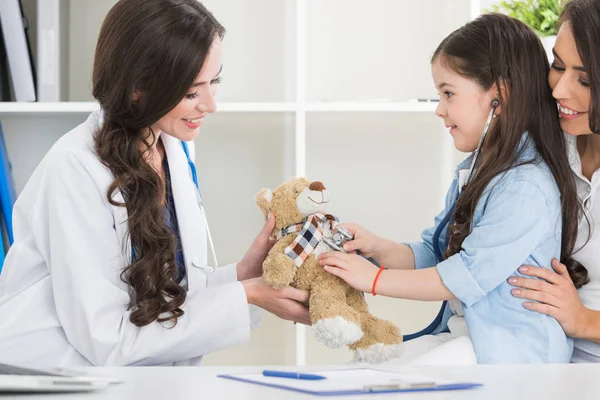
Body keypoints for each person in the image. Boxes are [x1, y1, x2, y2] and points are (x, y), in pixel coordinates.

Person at [0, 0, 309, 367]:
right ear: (138, 89)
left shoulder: (173, 148)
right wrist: (245, 295)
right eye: (192, 92)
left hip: (139, 381)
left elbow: (167, 297)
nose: (211, 105)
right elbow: (107, 340)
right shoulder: (74, 168)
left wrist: (245, 275)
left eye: (215, 82)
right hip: (55, 378)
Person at [318, 13, 588, 364]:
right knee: (366, 367)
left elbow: (464, 276)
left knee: (396, 377)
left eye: (448, 94)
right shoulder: (477, 170)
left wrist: (374, 280)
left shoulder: (526, 186)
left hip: (512, 352)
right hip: (471, 338)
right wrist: (377, 247)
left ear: (499, 97)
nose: (439, 110)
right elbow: (438, 253)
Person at [508, 0, 600, 363]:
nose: (560, 90)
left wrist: (583, 320)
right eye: (558, 65)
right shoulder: (545, 143)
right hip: (528, 354)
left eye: (586, 80)